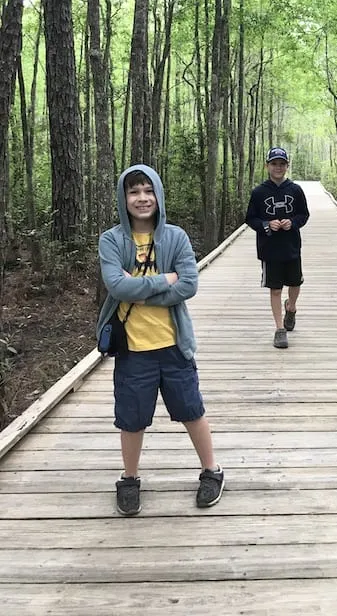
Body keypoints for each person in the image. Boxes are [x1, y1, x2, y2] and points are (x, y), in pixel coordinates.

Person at [96, 164, 224, 516]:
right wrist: (162, 280)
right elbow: (116, 286)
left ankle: (212, 471)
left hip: (173, 345)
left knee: (191, 409)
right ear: (124, 198)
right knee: (131, 418)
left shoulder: (176, 237)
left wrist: (140, 293)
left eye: (147, 191)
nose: (141, 198)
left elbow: (188, 285)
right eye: (134, 191)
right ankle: (130, 479)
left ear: (158, 196)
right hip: (133, 350)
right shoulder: (111, 240)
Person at [245, 147, 310, 348]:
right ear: (267, 166)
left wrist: (293, 223)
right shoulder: (259, 192)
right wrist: (266, 225)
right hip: (269, 249)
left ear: (287, 166)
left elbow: (303, 214)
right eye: (274, 164)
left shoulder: (295, 190)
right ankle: (279, 329)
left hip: (291, 246)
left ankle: (291, 307)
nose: (278, 167)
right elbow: (250, 218)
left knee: (295, 283)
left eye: (282, 164)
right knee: (275, 289)